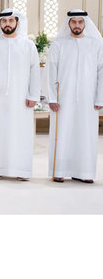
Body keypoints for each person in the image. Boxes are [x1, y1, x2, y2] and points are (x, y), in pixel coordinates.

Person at [47, 10, 103, 183]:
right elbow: (50, 71)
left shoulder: (96, 44)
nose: (77, 25)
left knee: (85, 134)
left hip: (88, 98)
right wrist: (52, 98)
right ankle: (59, 170)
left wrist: (100, 97)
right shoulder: (58, 44)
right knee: (63, 132)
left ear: (85, 23)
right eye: (74, 22)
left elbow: (101, 72)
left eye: (80, 22)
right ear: (68, 23)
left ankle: (85, 173)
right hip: (63, 98)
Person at [0, 9, 40, 181]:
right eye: (4, 21)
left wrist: (33, 96)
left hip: (21, 98)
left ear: (17, 22)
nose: (7, 24)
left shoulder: (28, 46)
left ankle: (21, 170)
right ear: (0, 23)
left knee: (20, 133)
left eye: (10, 21)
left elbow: (35, 72)